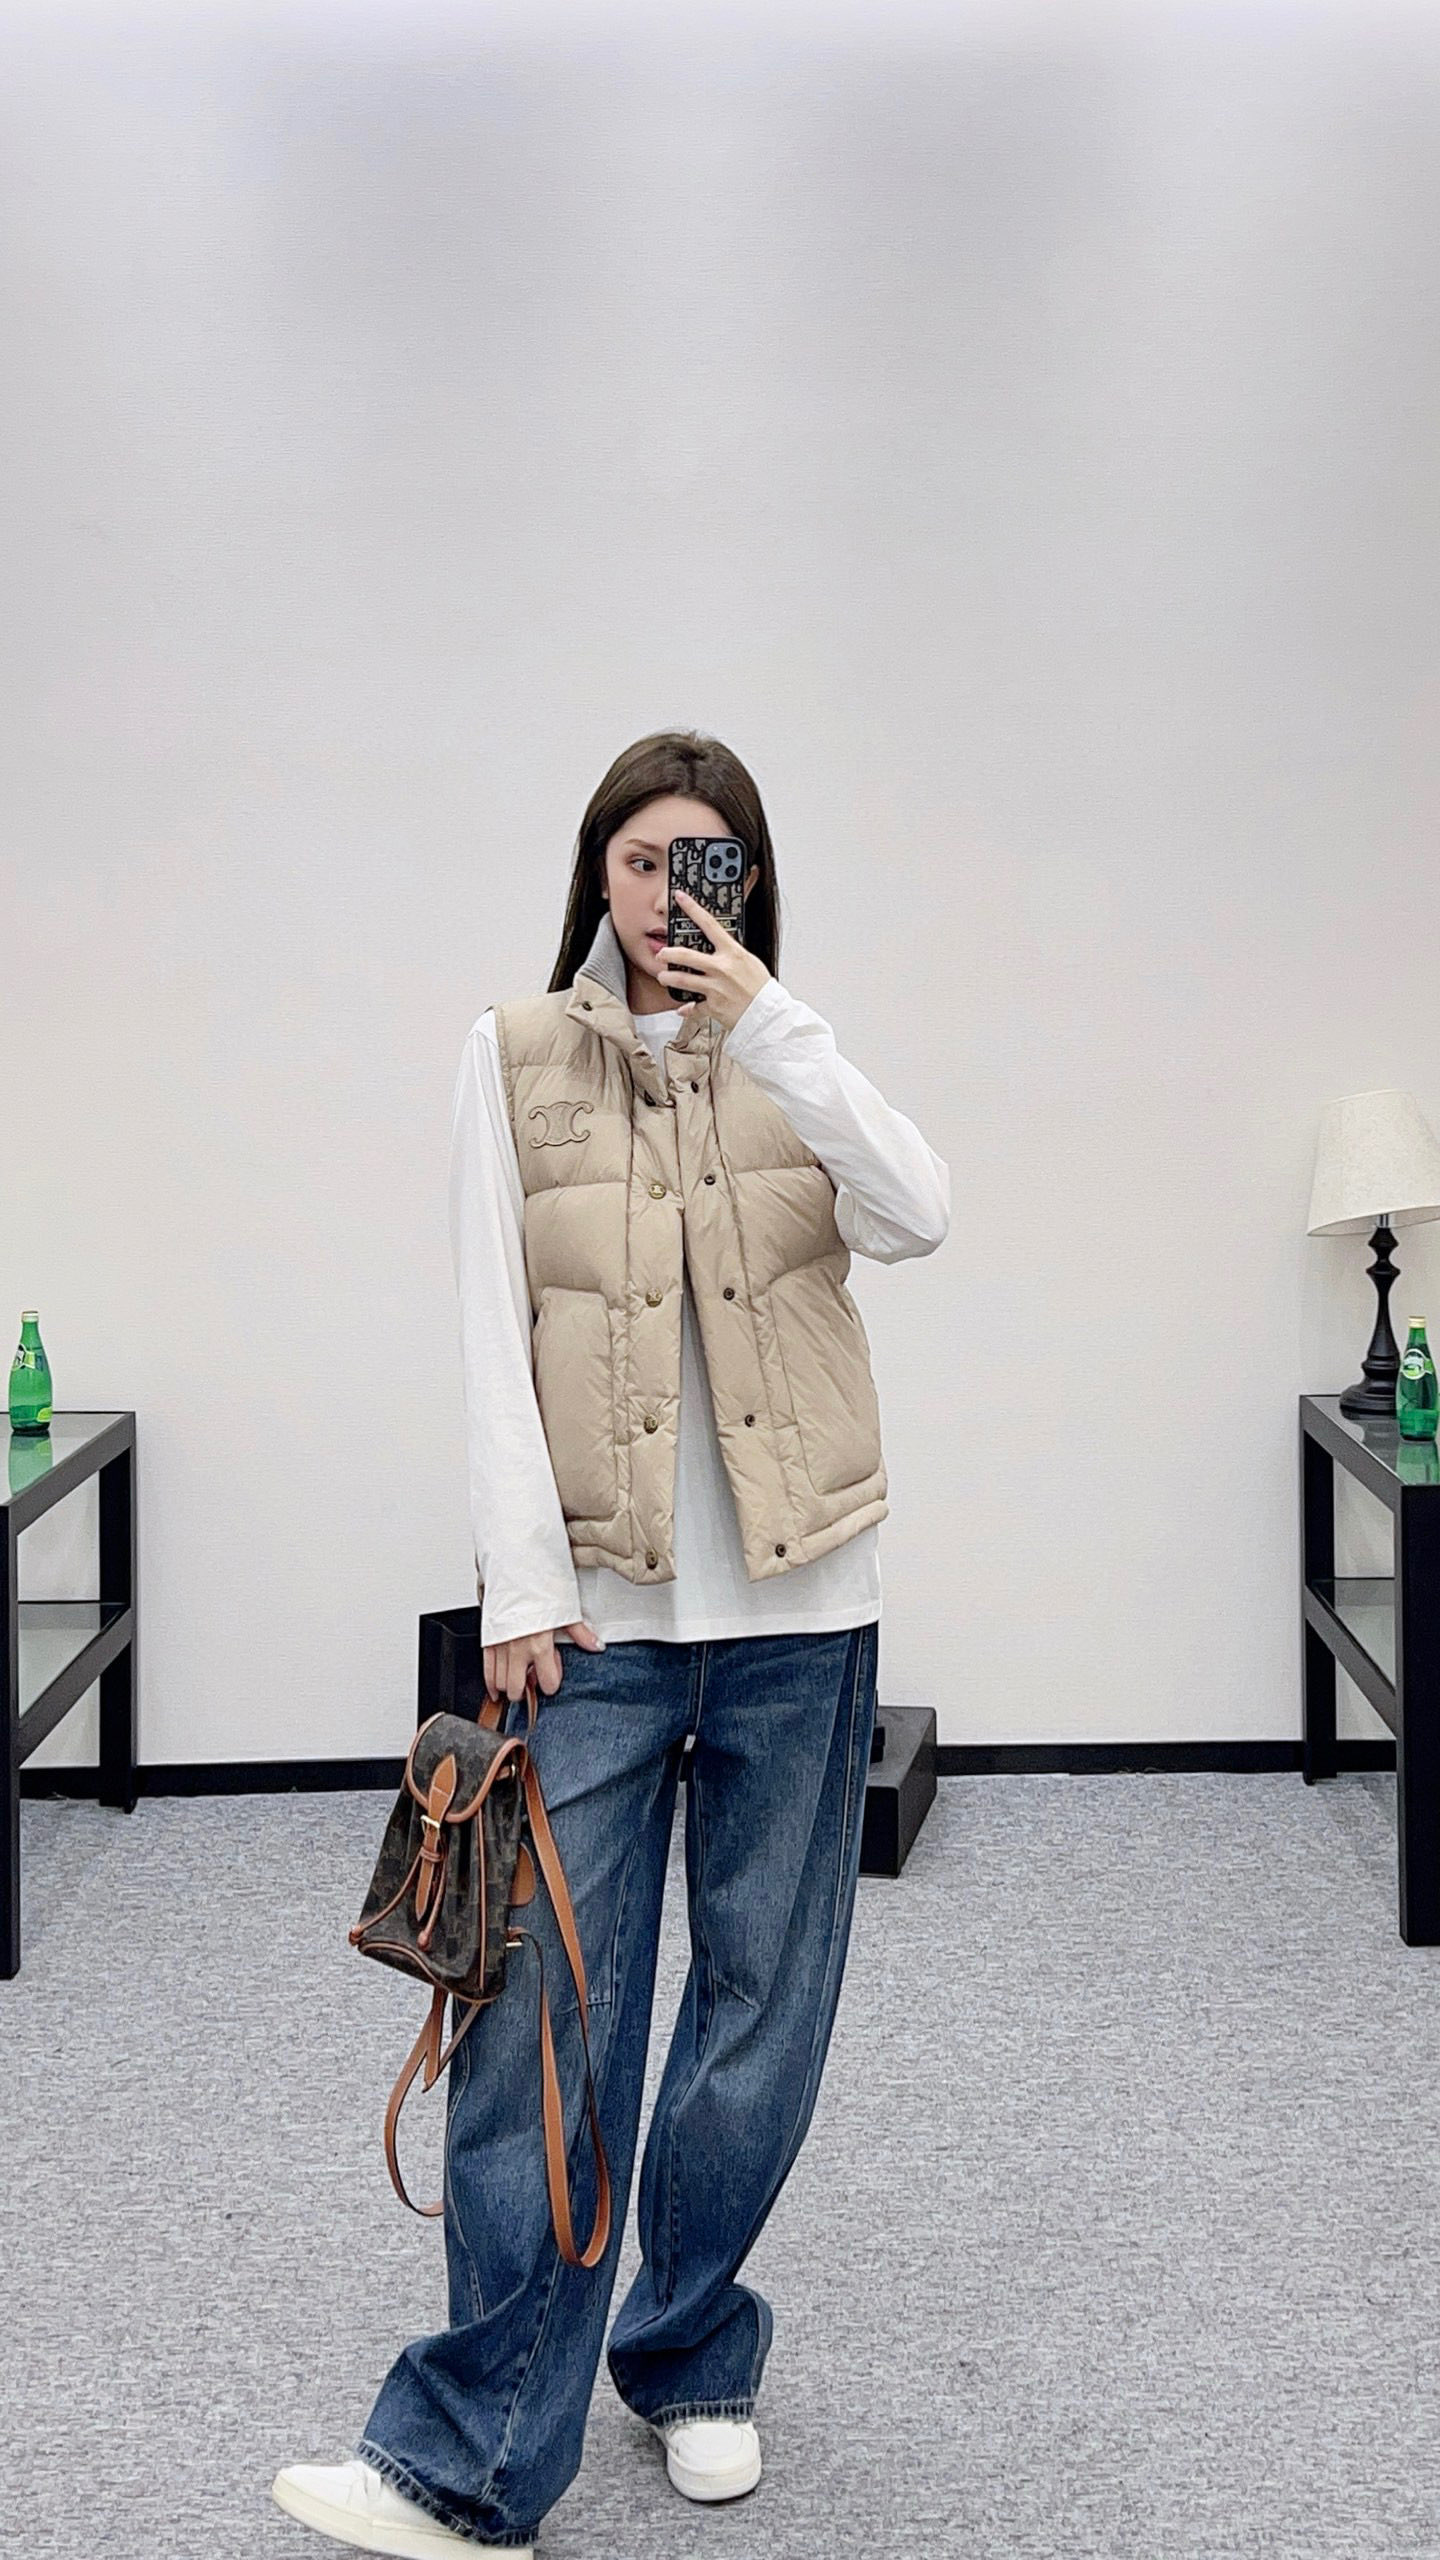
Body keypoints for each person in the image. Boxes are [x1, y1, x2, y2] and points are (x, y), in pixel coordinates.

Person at [273, 730, 950, 2555]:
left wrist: (774, 1022)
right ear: (597, 872)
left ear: (752, 884)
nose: (672, 894)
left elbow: (921, 1213)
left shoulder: (792, 1056)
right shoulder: (509, 1056)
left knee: (760, 2018)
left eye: (709, 862)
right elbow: (490, 1324)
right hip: (595, 1622)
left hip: (805, 1617)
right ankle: (473, 2453)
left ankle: (690, 2347)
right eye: (645, 859)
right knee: (538, 2029)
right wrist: (514, 1585)